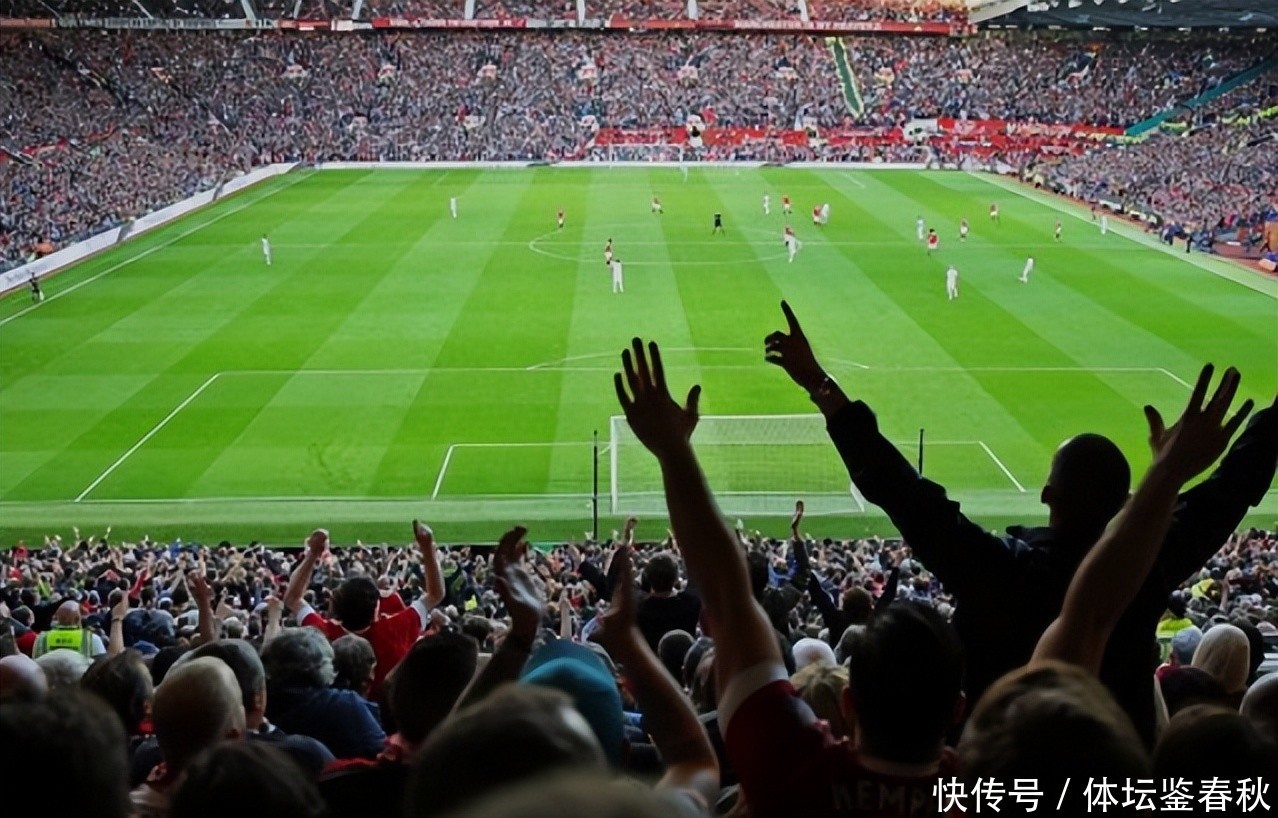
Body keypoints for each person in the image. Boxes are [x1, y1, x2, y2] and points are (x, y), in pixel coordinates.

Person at [764, 301, 1277, 743]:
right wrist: (1174, 471)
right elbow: (1229, 490)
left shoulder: (998, 571)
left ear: (1047, 494)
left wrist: (818, 383)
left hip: (1001, 778)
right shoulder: (1149, 566)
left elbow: (902, 491)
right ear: (1124, 502)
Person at [611, 339, 965, 818]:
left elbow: (729, 597)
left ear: (849, 704)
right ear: (958, 710)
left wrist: (673, 451)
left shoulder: (793, 767)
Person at [283, 523, 445, 703]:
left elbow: (292, 598)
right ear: (376, 609)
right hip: (389, 714)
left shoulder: (323, 635)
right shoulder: (397, 629)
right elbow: (436, 594)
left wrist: (313, 553)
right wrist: (427, 548)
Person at [32, 600, 106, 658]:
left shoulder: (41, 638)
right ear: (77, 619)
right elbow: (101, 666)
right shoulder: (92, 639)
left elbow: (36, 662)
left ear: (56, 618)